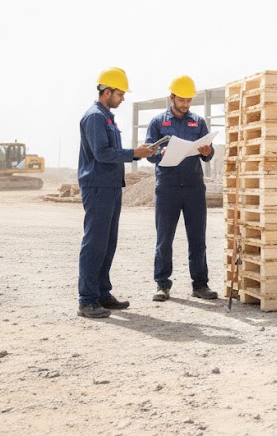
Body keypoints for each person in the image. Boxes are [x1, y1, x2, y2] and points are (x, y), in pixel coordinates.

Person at [76, 67, 154, 319]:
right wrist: (135, 153)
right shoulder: (95, 117)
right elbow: (102, 153)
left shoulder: (106, 117)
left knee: (108, 242)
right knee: (95, 242)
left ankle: (101, 293)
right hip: (98, 186)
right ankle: (87, 300)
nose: (122, 98)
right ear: (106, 91)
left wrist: (136, 152)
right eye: (120, 93)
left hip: (110, 185)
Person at [146, 74, 217, 301]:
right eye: (182, 100)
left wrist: (208, 152)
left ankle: (200, 285)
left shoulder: (198, 122)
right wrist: (160, 153)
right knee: (164, 239)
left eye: (189, 100)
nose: (186, 105)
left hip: (194, 188)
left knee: (197, 239)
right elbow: (149, 153)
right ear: (172, 97)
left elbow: (209, 153)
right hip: (167, 188)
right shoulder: (157, 123)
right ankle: (162, 285)